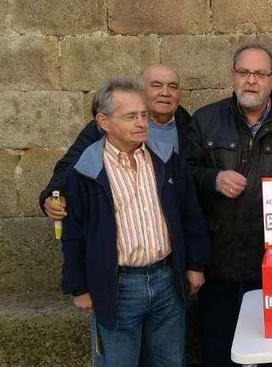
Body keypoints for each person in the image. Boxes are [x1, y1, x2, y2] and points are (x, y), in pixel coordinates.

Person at [60, 78, 209, 367]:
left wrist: (196, 265)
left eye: (144, 115)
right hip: (117, 286)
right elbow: (74, 233)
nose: (142, 123)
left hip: (167, 280)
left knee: (169, 361)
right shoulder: (86, 172)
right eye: (130, 117)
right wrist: (79, 287)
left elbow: (190, 213)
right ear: (103, 122)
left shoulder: (167, 160)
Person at [185, 42, 272, 367]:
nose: (251, 80)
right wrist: (214, 179)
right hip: (218, 262)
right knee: (219, 352)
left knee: (271, 354)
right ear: (232, 76)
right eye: (244, 72)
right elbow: (183, 176)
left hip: (270, 265)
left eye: (260, 73)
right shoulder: (206, 120)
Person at [40, 63, 191, 221]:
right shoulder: (106, 127)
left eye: (172, 87)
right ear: (140, 92)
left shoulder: (190, 127)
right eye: (156, 85)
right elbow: (72, 164)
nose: (165, 93)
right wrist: (52, 195)